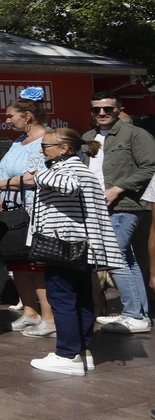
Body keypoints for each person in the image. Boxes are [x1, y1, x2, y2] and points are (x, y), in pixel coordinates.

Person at [25, 128, 122, 375]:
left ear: (64, 149)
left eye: (46, 146)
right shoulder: (80, 168)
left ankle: (67, 355)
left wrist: (37, 177)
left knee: (62, 298)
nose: (42, 150)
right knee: (81, 298)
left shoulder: (69, 169)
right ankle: (81, 351)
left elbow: (69, 186)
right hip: (80, 246)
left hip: (66, 245)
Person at [88, 93, 154, 333]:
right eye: (97, 110)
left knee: (112, 257)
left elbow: (151, 165)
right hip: (95, 207)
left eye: (108, 109)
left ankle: (133, 313)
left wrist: (118, 189)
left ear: (119, 110)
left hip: (125, 205)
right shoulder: (87, 137)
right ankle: (140, 315)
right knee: (124, 258)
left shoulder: (136, 134)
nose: (102, 113)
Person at [0, 93, 56, 337]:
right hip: (12, 213)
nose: (7, 120)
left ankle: (49, 319)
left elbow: (33, 178)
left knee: (36, 265)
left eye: (10, 116)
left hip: (34, 210)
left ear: (27, 116)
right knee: (17, 262)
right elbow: (1, 171)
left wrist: (1, 186)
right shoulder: (18, 141)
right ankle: (30, 312)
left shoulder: (46, 140)